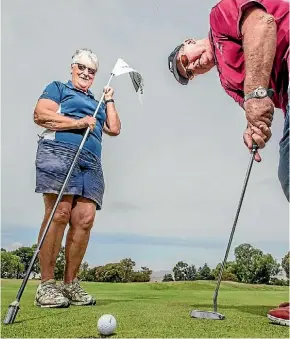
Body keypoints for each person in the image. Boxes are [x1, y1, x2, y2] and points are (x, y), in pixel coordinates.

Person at [167, 0, 289, 327]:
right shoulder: (226, 81)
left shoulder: (219, 16)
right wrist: (254, 130)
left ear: (190, 41)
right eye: (188, 73)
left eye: (185, 60)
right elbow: (255, 107)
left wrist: (257, 92)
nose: (192, 67)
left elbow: (262, 24)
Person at [33, 48, 121, 307]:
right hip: (59, 150)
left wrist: (109, 100)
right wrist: (78, 123)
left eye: (91, 70)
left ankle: (70, 284)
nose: (85, 73)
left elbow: (114, 128)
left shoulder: (98, 104)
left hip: (91, 160)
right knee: (59, 212)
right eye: (81, 67)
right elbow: (41, 115)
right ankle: (46, 285)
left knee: (85, 219)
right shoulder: (58, 88)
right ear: (72, 67)